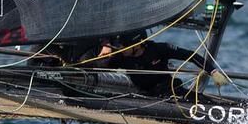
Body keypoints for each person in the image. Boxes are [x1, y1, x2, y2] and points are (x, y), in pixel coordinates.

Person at [94, 31, 229, 95]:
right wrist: (105, 57)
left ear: (138, 45)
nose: (121, 49)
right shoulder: (121, 57)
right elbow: (99, 68)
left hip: (170, 90)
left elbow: (190, 55)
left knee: (199, 98)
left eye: (124, 46)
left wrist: (213, 72)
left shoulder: (159, 49)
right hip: (147, 95)